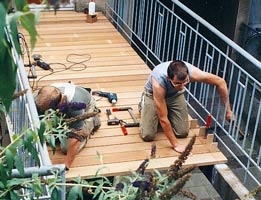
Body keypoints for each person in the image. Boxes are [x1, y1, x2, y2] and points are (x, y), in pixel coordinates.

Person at [139, 60, 233, 153]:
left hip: (175, 95)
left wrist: (228, 111)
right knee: (148, 135)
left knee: (182, 132)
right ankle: (143, 105)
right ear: (168, 78)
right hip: (153, 96)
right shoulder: (158, 82)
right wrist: (176, 145)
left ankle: (167, 109)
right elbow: (163, 118)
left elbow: (221, 82)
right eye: (178, 83)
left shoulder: (192, 73)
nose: (182, 86)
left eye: (185, 82)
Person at [35, 82, 101, 169]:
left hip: (85, 107)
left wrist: (65, 167)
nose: (41, 110)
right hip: (63, 107)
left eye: (44, 109)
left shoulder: (75, 106)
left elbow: (76, 136)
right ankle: (64, 118)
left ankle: (93, 121)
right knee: (47, 135)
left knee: (66, 148)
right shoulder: (40, 99)